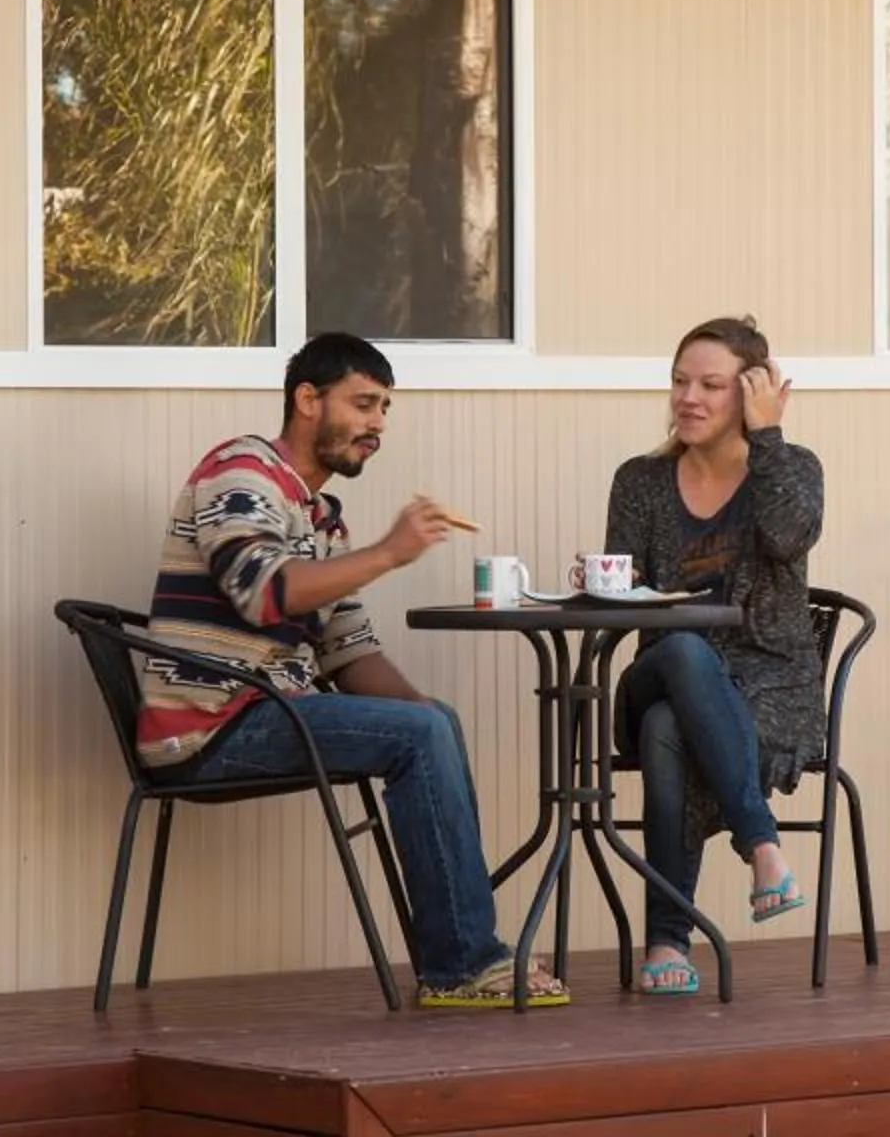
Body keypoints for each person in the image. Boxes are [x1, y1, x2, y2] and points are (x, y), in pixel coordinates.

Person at [139, 332, 562, 1009]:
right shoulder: (239, 473)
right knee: (420, 735)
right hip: (207, 727)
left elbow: (348, 651)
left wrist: (423, 718)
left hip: (269, 711)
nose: (377, 425)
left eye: (385, 409)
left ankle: (462, 950)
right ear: (308, 400)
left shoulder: (321, 518)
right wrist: (390, 553)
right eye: (364, 404)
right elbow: (266, 591)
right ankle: (461, 965)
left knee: (432, 723)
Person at [599, 316, 828, 995]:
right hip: (661, 667)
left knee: (673, 727)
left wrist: (770, 440)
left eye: (711, 385)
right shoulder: (640, 481)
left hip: (769, 686)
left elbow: (789, 539)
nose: (688, 398)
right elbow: (622, 594)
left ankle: (667, 943)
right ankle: (761, 844)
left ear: (750, 393)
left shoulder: (792, 470)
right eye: (679, 382)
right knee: (684, 652)